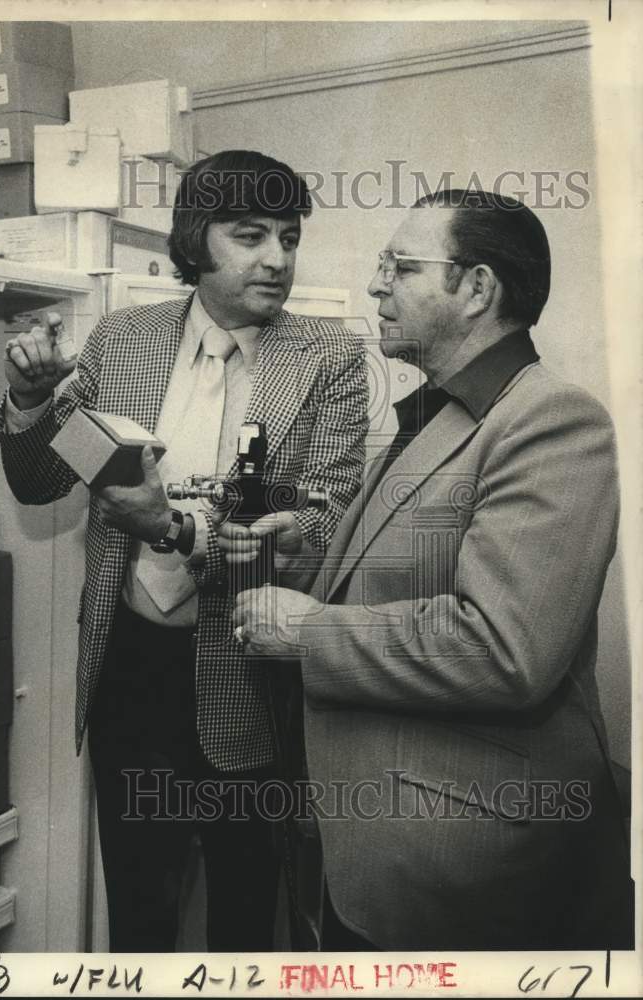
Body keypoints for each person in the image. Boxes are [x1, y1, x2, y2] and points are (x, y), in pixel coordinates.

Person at [226, 189, 634, 950]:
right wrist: (310, 558)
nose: (375, 285)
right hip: (377, 859)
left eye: (399, 267)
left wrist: (310, 632)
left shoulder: (552, 421)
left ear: (476, 289)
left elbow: (502, 649)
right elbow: (408, 578)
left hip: (468, 874)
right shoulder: (440, 413)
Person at [0, 149, 369, 951]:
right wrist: (30, 402)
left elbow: (326, 521)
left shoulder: (329, 359)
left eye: (289, 237)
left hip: (251, 678)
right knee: (140, 912)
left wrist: (179, 529)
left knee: (245, 917)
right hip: (129, 671)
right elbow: (36, 486)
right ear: (196, 241)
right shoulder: (120, 339)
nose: (277, 259)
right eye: (250, 235)